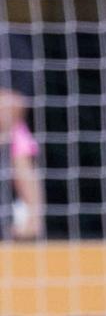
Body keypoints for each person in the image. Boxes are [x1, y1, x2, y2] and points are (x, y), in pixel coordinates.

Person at [0, 33, 44, 241]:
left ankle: (31, 219)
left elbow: (10, 108)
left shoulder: (10, 44)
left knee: (17, 138)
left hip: (7, 138)